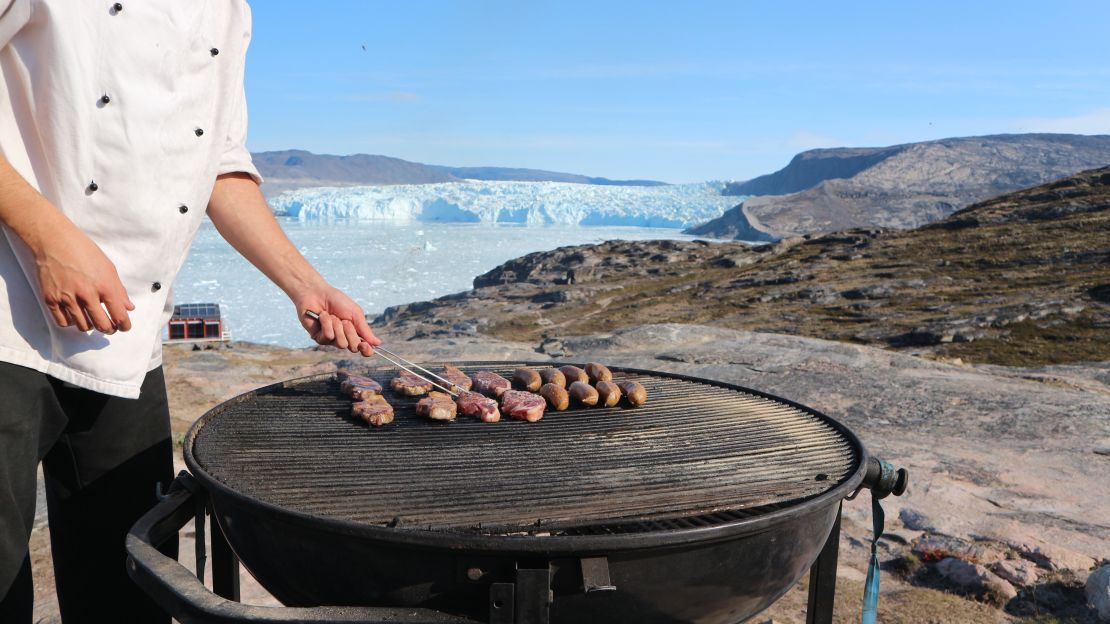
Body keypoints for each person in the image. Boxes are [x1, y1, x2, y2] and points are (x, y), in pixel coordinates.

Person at [0, 2, 381, 621]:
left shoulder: (229, 11)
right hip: (5, 314)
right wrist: (49, 238)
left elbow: (221, 165)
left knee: (128, 582)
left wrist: (305, 284)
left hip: (124, 333)